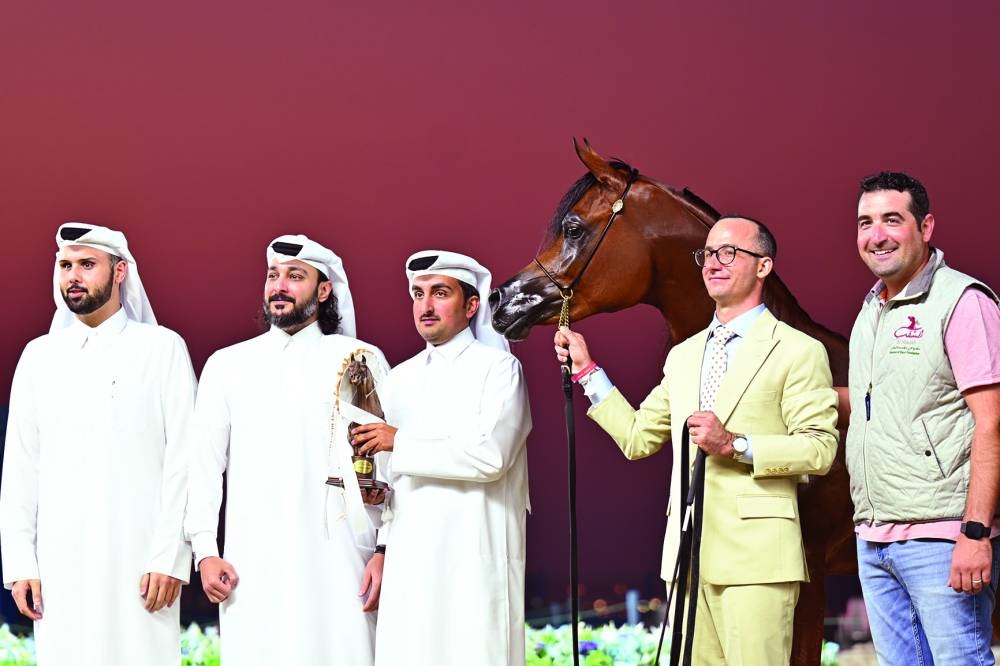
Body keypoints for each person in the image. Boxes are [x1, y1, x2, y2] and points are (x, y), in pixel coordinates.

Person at [555, 216, 839, 665]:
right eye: (707, 254)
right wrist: (588, 371)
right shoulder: (683, 356)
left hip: (757, 562)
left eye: (729, 253)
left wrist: (736, 445)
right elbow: (636, 438)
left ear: (763, 267)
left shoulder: (797, 350)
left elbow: (819, 449)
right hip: (687, 560)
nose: (713, 263)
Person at [184, 234, 390, 665]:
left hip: (343, 558)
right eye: (273, 275)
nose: (280, 286)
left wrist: (384, 550)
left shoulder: (359, 358)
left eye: (296, 276)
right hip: (252, 560)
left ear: (324, 290)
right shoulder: (228, 364)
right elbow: (203, 466)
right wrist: (205, 550)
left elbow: (387, 469)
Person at [0, 223, 195, 665]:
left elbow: (185, 461)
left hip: (142, 565)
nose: (74, 276)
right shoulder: (38, 357)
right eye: (66, 265)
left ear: (120, 272)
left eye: (88, 265)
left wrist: (170, 557)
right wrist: (21, 565)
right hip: (58, 564)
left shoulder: (162, 349)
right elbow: (20, 469)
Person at [847, 172, 1000, 664]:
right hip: (874, 538)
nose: (877, 235)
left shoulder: (963, 302)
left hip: (943, 537)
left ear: (926, 226)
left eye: (893, 219)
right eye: (865, 222)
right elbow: (880, 405)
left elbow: (992, 423)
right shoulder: (871, 309)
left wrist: (974, 533)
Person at [352, 250, 532, 666]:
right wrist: (380, 548)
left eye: (439, 293)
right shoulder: (398, 378)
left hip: (474, 554)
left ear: (471, 306)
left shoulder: (500, 370)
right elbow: (390, 485)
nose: (425, 306)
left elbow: (490, 456)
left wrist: (400, 442)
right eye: (417, 294)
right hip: (410, 562)